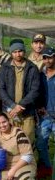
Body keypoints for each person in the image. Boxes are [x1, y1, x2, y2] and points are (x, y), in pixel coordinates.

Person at [0, 39, 40, 143]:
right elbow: (0, 89)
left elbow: (35, 90)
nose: (18, 54)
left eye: (20, 51)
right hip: (10, 112)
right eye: (15, 52)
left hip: (27, 112)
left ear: (24, 51)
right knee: (10, 142)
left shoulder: (32, 68)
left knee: (28, 141)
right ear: (11, 53)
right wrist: (12, 106)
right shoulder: (4, 68)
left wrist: (20, 105)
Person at [0, 113, 36, 179]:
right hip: (5, 167)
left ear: (8, 121)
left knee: (24, 177)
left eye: (4, 122)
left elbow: (28, 156)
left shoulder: (19, 133)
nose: (2, 125)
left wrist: (13, 170)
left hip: (23, 165)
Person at [35, 47, 55, 178]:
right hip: (45, 116)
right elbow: (35, 92)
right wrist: (39, 106)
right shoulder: (40, 75)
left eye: (50, 57)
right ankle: (47, 168)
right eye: (45, 57)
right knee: (41, 144)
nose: (48, 60)